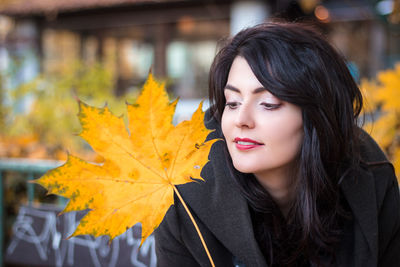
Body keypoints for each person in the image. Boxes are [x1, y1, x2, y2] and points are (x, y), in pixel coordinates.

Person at [154, 22, 400, 267]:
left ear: (317, 116)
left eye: (268, 104)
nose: (241, 120)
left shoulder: (371, 177)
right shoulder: (181, 194)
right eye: (232, 102)